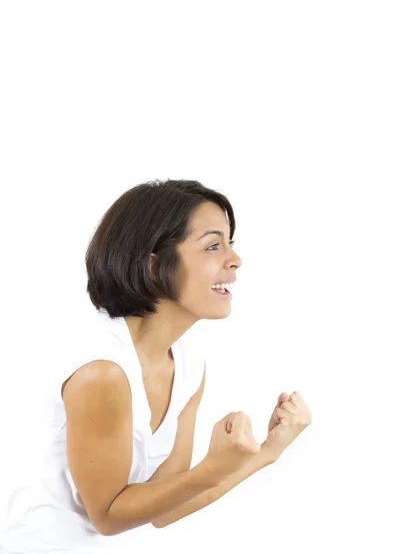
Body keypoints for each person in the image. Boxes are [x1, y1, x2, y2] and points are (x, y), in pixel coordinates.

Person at [1, 178, 312, 552]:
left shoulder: (188, 363)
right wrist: (213, 467)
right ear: (153, 264)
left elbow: (165, 507)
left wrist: (267, 452)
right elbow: (108, 516)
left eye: (230, 243)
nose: (235, 260)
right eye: (213, 245)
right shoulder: (103, 371)